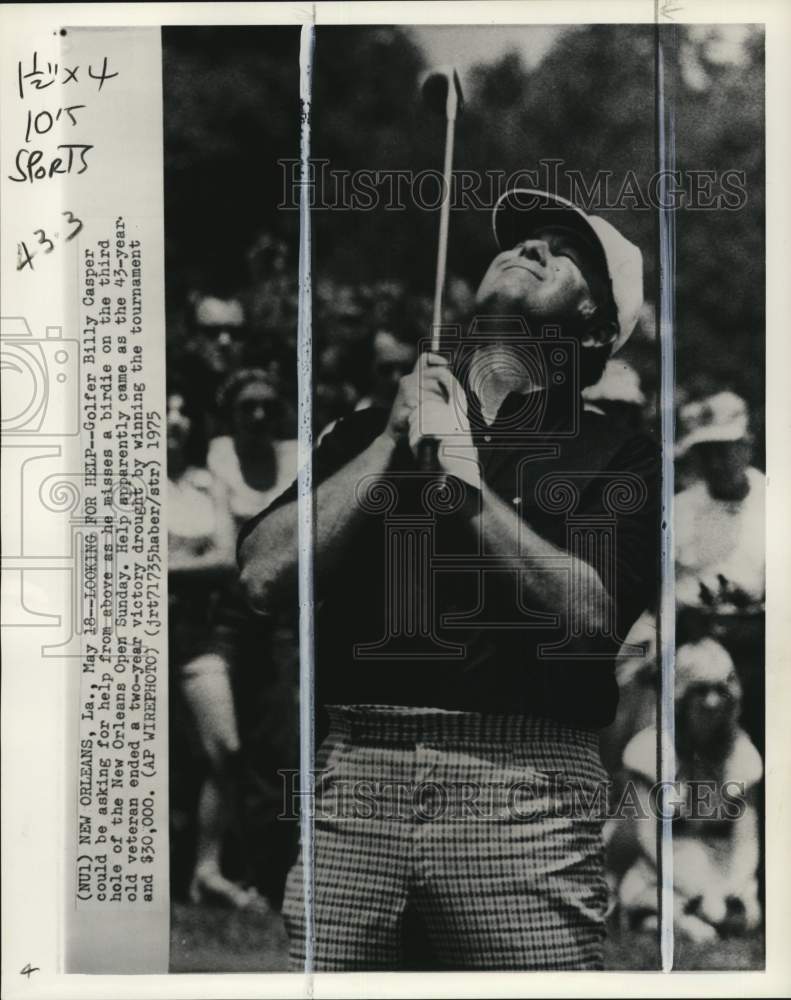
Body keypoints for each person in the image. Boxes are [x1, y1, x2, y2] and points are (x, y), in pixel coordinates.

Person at [239, 189, 659, 970]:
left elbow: (590, 612)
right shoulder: (373, 423)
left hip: (523, 791)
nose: (529, 247)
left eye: (563, 250)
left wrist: (464, 492)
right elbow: (264, 573)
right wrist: (389, 451)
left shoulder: (619, 453)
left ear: (597, 328)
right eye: (524, 237)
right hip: (356, 776)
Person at [166, 387, 257, 908]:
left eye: (184, 411)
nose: (176, 420)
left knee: (225, 747)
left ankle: (207, 869)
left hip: (200, 637)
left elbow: (227, 558)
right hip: (140, 641)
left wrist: (166, 566)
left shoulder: (208, 484)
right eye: (166, 410)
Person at [618, 637, 762, 942]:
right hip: (662, 876)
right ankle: (670, 920)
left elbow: (747, 843)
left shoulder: (742, 754)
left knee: (746, 916)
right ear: (679, 696)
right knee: (665, 906)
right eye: (700, 690)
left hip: (723, 880)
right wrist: (695, 891)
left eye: (720, 690)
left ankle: (688, 920)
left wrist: (726, 890)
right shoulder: (648, 750)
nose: (712, 702)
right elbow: (647, 840)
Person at [674, 390, 764, 613]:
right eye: (705, 453)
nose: (714, 463)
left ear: (747, 447)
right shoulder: (678, 510)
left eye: (723, 451)